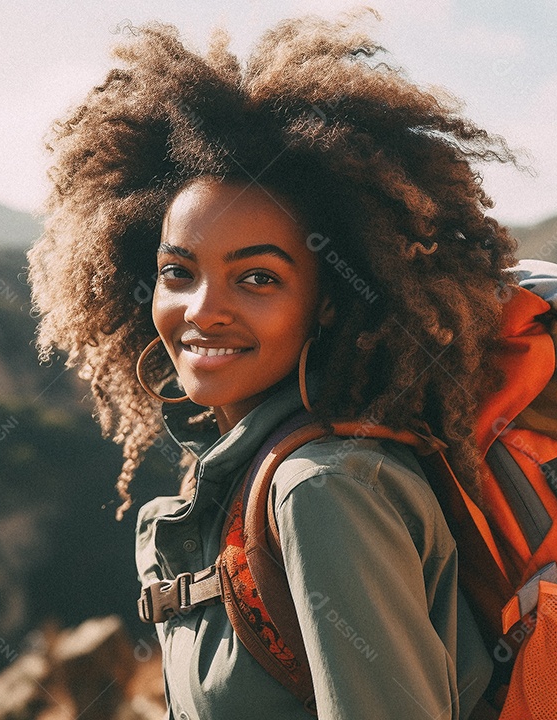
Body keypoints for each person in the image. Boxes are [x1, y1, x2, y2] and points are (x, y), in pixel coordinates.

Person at [27, 10, 523, 719]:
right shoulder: (244, 470)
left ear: (326, 302)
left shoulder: (320, 491)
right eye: (178, 272)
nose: (203, 309)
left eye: (257, 277)